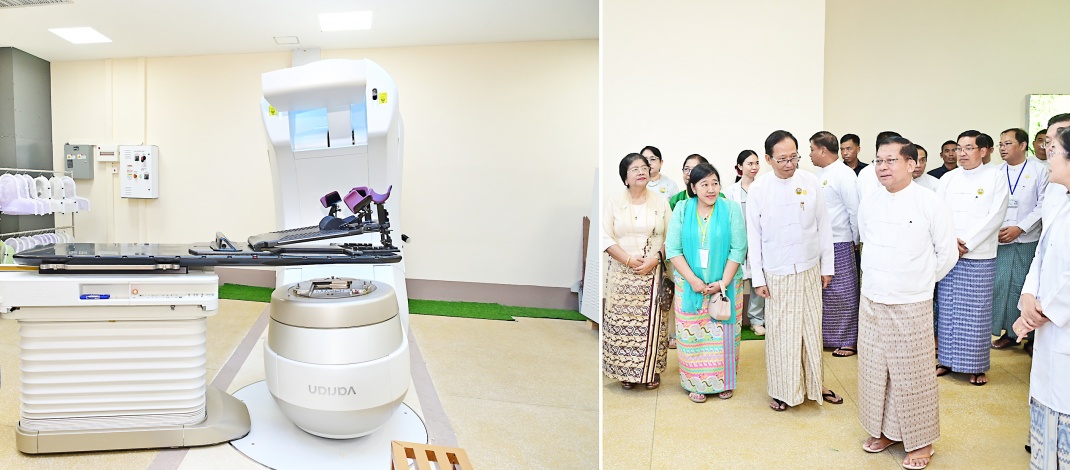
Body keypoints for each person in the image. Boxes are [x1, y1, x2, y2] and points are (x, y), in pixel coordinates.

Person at [857, 136, 957, 470]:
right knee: (875, 369)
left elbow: (948, 253)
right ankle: (885, 431)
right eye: (878, 161)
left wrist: (920, 282)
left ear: (912, 164)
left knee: (912, 374)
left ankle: (921, 441)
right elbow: (865, 241)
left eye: (890, 160)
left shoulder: (930, 202)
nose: (882, 167)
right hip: (872, 297)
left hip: (910, 301)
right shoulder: (870, 200)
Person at [747, 130, 842, 411]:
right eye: (782, 159)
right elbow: (754, 236)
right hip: (777, 272)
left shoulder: (811, 181)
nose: (789, 164)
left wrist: (828, 267)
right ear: (768, 159)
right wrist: (758, 278)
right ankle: (783, 390)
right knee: (782, 334)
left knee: (811, 329)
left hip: (810, 268)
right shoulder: (759, 189)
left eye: (794, 157)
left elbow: (823, 226)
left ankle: (815, 385)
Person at [1012, 124, 1070, 469]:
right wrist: (1029, 296)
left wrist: (1044, 309)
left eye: (1053, 149)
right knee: (1049, 401)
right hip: (1050, 323)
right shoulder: (1060, 199)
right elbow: (1043, 254)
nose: (1046, 155)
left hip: (1059, 317)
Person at [666, 162, 747, 403]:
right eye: (704, 184)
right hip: (689, 287)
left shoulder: (731, 209)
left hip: (726, 286)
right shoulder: (681, 209)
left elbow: (739, 247)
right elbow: (673, 248)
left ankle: (724, 381)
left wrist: (722, 282)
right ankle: (695, 383)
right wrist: (693, 281)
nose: (711, 189)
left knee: (724, 334)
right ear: (693, 187)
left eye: (715, 183)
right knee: (693, 337)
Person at [934, 130, 1008, 386]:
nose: (961, 153)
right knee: (948, 309)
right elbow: (939, 213)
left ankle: (975, 366)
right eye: (958, 148)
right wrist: (950, 241)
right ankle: (946, 359)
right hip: (949, 253)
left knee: (975, 313)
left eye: (968, 148)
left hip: (979, 255)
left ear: (984, 150)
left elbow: (995, 215)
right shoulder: (948, 178)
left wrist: (968, 243)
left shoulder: (996, 177)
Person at [602, 153, 673, 390]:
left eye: (645, 167)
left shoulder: (661, 202)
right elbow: (605, 236)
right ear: (625, 177)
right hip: (622, 273)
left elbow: (671, 237)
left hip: (653, 271)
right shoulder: (614, 203)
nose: (642, 171)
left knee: (653, 324)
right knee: (624, 324)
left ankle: (651, 371)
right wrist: (629, 260)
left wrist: (655, 259)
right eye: (635, 169)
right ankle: (626, 372)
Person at [990, 128, 1048, 351]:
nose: (1002, 148)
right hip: (1001, 239)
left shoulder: (1039, 170)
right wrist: (997, 229)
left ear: (1023, 145)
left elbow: (1042, 205)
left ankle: (1031, 337)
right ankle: (1009, 332)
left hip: (1028, 238)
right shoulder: (996, 172)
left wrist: (1020, 228)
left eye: (1007, 143)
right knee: (1002, 286)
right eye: (1001, 144)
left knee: (1024, 287)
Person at [809, 131, 861, 357]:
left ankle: (848, 340)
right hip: (818, 242)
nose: (809, 155)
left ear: (822, 150)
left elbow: (855, 210)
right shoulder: (817, 175)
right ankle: (828, 338)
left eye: (812, 149)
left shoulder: (844, 174)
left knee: (844, 293)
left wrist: (856, 240)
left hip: (840, 241)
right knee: (825, 293)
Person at [724, 150, 766, 336]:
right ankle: (734, 319)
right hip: (738, 242)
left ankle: (756, 320)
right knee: (736, 280)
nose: (754, 167)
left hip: (759, 240)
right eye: (749, 163)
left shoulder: (763, 187)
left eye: (756, 163)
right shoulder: (730, 191)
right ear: (740, 167)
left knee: (759, 279)